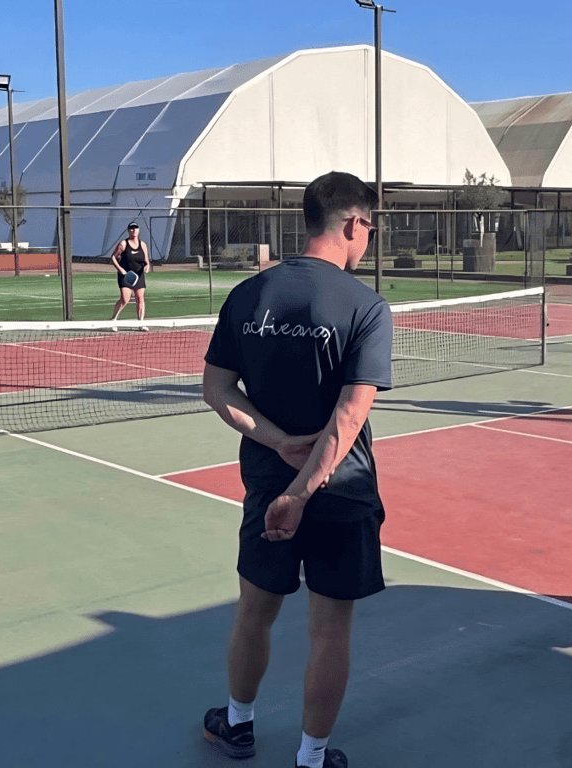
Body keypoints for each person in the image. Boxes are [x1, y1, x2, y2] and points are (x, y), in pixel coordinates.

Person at [200, 171, 390, 768]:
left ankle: (237, 726)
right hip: (340, 490)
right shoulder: (366, 307)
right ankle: (311, 759)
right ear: (354, 224)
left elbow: (216, 388)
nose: (369, 240)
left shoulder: (248, 295)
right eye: (370, 229)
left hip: (267, 487)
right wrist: (305, 491)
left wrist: (279, 446)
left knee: (253, 612)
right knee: (329, 630)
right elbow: (350, 415)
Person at [109, 221, 150, 327]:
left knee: (140, 298)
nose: (133, 230)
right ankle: (113, 319)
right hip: (126, 276)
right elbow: (113, 257)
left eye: (135, 228)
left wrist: (147, 266)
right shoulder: (123, 244)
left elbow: (146, 260)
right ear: (128, 230)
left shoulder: (143, 245)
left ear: (138, 230)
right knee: (125, 299)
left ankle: (140, 323)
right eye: (131, 228)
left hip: (139, 275)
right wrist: (120, 269)